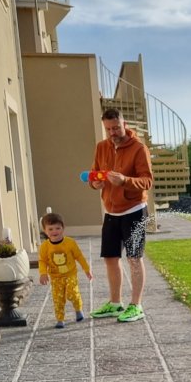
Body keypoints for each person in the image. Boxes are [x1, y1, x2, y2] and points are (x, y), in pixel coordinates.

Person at [88, 107, 153, 323]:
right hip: (111, 211)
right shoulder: (101, 147)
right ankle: (115, 303)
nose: (112, 133)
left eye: (116, 128)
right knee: (110, 257)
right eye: (108, 129)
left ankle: (136, 305)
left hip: (134, 210)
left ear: (124, 124)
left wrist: (125, 180)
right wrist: (94, 183)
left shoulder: (139, 148)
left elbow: (147, 181)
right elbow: (94, 175)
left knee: (134, 258)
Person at [38, 212, 93, 329]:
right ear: (45, 231)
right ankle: (60, 319)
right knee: (58, 299)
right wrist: (43, 273)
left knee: (72, 293)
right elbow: (42, 261)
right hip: (55, 277)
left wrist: (86, 269)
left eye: (58, 228)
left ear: (63, 228)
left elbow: (79, 256)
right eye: (50, 229)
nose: (54, 231)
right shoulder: (45, 247)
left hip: (70, 274)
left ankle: (78, 309)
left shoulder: (70, 243)